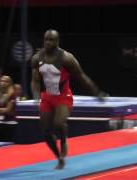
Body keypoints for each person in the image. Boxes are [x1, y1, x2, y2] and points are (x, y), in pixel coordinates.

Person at [31, 29, 108, 169]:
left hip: (63, 96)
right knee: (46, 133)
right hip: (47, 96)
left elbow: (82, 77)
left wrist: (97, 92)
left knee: (58, 123)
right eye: (46, 39)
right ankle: (59, 158)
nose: (48, 42)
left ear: (58, 41)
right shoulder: (37, 58)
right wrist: (36, 94)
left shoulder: (67, 58)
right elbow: (35, 80)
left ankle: (64, 140)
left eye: (51, 40)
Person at [0, 75, 17, 142]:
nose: (3, 83)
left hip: (10, 123)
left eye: (6, 81)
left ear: (10, 83)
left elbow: (8, 111)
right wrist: (3, 110)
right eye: (2, 81)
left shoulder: (12, 94)